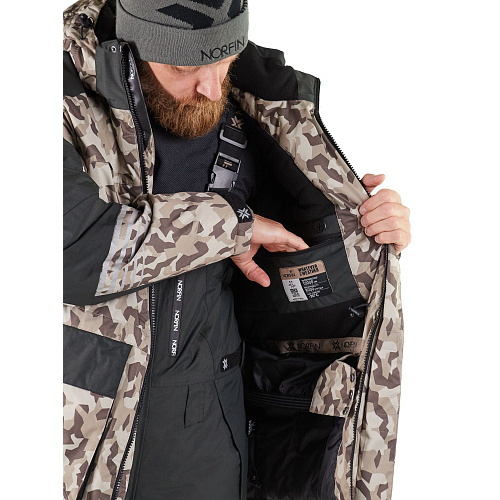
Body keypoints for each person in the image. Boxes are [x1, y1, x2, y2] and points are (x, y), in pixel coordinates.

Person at [63, 1, 411, 499]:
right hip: (84, 434)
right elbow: (74, 250)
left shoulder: (260, 103)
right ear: (134, 41)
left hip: (214, 432)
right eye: (183, 66)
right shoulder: (53, 93)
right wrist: (232, 224)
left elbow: (298, 243)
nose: (210, 87)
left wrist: (365, 227)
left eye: (224, 59)